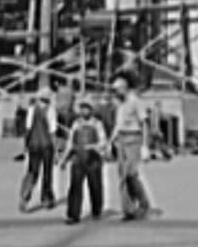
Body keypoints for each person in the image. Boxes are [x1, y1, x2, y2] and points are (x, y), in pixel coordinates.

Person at [109, 75, 151, 221]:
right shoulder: (120, 104)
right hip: (120, 139)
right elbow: (118, 124)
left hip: (133, 138)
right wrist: (111, 141)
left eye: (116, 90)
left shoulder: (135, 101)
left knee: (131, 174)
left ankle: (143, 203)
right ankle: (128, 210)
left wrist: (145, 146)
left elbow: (144, 123)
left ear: (123, 88)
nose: (114, 93)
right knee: (122, 176)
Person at [59, 96, 107, 224]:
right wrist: (64, 159)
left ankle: (97, 211)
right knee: (75, 187)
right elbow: (70, 143)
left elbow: (103, 142)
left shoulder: (97, 124)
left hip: (93, 160)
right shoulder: (76, 124)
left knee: (95, 186)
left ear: (91, 110)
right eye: (82, 108)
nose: (83, 110)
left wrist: (93, 147)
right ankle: (73, 215)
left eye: (86, 108)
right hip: (78, 159)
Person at [19, 83, 57, 211]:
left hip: (34, 144)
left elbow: (28, 128)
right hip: (46, 145)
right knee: (47, 173)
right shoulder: (50, 109)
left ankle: (25, 196)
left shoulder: (32, 108)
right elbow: (53, 130)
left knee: (32, 171)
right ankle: (46, 198)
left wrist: (26, 144)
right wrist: (56, 148)